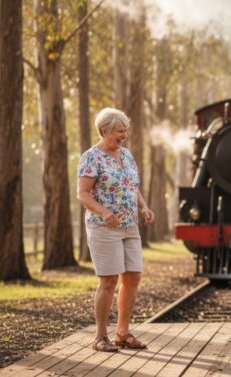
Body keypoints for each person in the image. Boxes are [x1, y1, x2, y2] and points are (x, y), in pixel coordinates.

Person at [77, 107, 155, 353]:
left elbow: (131, 186)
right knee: (108, 280)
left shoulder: (127, 155)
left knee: (132, 277)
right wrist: (104, 211)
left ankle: (122, 333)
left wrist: (144, 207)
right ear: (103, 131)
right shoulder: (91, 157)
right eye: (119, 131)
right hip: (104, 227)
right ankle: (100, 337)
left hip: (129, 225)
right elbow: (83, 194)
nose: (124, 135)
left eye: (125, 131)